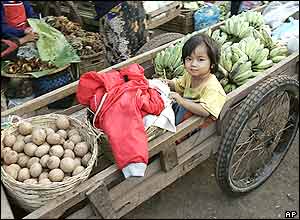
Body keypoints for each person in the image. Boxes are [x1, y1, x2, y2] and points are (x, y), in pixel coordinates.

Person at [163, 33, 227, 127]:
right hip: (186, 112)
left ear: (212, 64)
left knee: (181, 103)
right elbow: (179, 85)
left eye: (200, 60)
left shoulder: (212, 87)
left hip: (202, 123)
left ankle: (177, 136)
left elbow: (205, 111)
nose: (193, 64)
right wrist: (168, 83)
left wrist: (182, 101)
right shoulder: (189, 76)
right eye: (189, 59)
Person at [94, 1, 148, 65]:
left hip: (116, 10)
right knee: (140, 49)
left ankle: (134, 71)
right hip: (123, 8)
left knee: (124, 58)